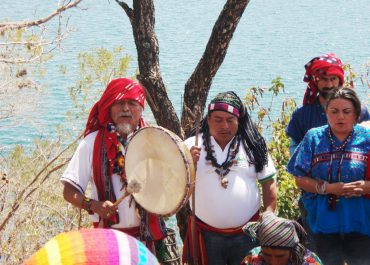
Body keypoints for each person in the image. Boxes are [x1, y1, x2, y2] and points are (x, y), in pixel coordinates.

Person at [60, 78, 171, 258]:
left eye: (132, 103)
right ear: (109, 107)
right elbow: (69, 192)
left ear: (141, 108)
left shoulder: (154, 140)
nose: (126, 109)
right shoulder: (91, 143)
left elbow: (170, 182)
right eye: (119, 103)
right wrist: (94, 205)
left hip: (148, 241)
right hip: (108, 242)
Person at [182, 91, 278, 265]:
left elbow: (268, 182)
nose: (224, 126)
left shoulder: (252, 145)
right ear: (208, 120)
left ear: (238, 121)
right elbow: (176, 188)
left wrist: (269, 212)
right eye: (218, 120)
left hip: (247, 233)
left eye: (230, 120)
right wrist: (188, 164)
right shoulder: (192, 145)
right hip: (205, 234)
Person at [287, 87, 370, 265]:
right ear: (326, 113)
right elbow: (299, 177)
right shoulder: (313, 137)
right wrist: (328, 188)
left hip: (360, 220)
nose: (340, 116)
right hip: (322, 220)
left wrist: (366, 186)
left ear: (356, 114)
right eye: (334, 111)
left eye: (346, 111)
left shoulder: (367, 138)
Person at [286, 52, 369, 154]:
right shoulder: (302, 114)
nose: (329, 84)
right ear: (316, 81)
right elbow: (295, 146)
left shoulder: (359, 111)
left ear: (340, 80)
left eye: (333, 79)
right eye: (324, 79)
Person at [241, 211, 322, 265]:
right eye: (266, 255)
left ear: (292, 250)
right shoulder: (252, 260)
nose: (273, 263)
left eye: (280, 256)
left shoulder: (309, 262)